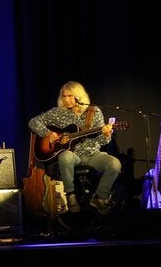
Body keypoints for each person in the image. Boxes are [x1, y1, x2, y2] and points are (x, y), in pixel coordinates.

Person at [28, 81, 121, 215]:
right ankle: (70, 195)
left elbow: (100, 141)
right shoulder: (57, 112)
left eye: (70, 96)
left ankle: (99, 197)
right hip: (72, 154)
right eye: (64, 96)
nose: (66, 99)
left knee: (115, 164)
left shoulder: (94, 112)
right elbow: (33, 122)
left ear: (79, 96)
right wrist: (48, 133)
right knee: (65, 156)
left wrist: (106, 135)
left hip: (91, 154)